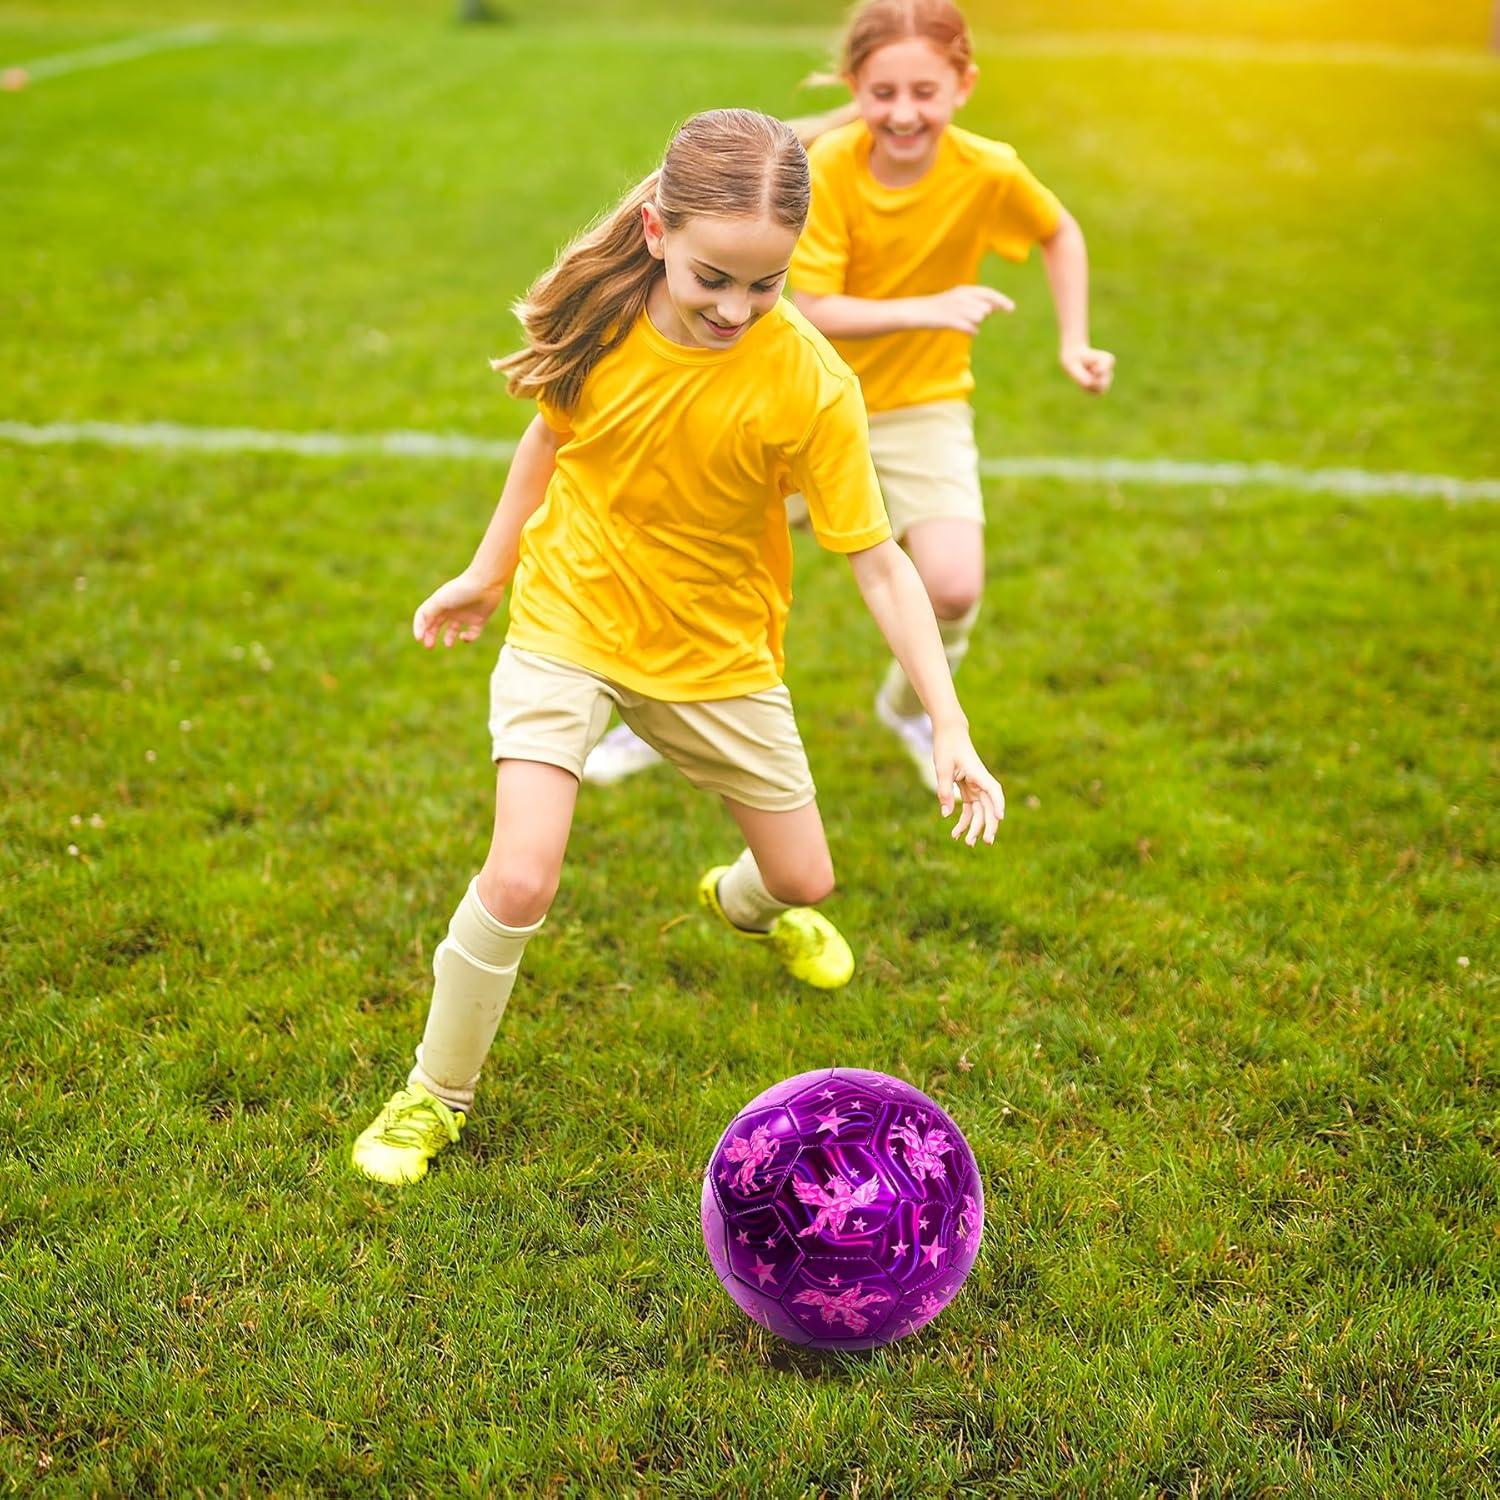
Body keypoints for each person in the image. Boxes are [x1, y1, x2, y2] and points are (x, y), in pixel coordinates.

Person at [351, 108, 1006, 1187]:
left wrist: (950, 719)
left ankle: (737, 903)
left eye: (768, 284)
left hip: (717, 654)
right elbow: (550, 437)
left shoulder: (810, 382)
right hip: (573, 624)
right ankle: (433, 1095)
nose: (738, 309)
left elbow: (881, 562)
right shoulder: (604, 320)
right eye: (715, 279)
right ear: (656, 231)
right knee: (519, 878)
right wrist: (487, 570)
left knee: (805, 878)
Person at [583, 0, 1114, 794]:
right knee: (696, 567)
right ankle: (651, 724)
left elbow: (1057, 229)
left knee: (955, 585)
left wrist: (1073, 339)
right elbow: (818, 308)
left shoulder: (989, 168)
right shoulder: (827, 171)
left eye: (924, 93)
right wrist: (929, 308)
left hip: (923, 406)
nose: (904, 114)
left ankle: (911, 709)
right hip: (794, 403)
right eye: (882, 93)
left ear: (964, 84)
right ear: (853, 87)